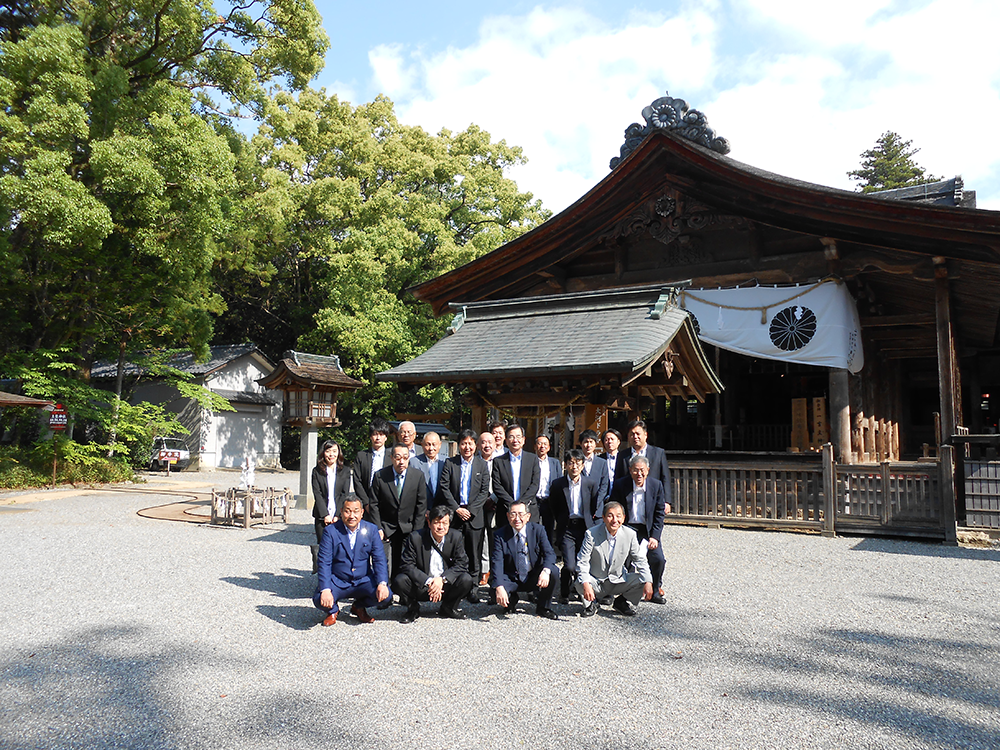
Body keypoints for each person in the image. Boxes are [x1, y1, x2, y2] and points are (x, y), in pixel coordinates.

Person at [313, 495, 392, 626]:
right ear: (341, 511)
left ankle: (359, 607)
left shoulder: (371, 530)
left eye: (356, 511)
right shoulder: (330, 531)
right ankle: (333, 610)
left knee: (386, 596)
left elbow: (379, 559)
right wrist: (325, 589)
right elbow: (324, 562)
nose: (352, 515)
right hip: (338, 580)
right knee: (319, 599)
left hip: (363, 579)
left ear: (362, 512)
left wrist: (382, 583)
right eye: (347, 511)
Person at [393, 506, 474, 622]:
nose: (441, 527)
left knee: (466, 579)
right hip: (423, 585)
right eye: (437, 523)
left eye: (444, 523)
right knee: (400, 581)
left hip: (444, 586)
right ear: (429, 523)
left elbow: (462, 563)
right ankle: (413, 608)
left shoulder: (456, 537)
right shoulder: (415, 538)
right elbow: (407, 564)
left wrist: (442, 580)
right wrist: (429, 581)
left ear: (449, 523)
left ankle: (448, 607)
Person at [437, 429, 491, 602]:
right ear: (458, 445)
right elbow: (444, 487)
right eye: (463, 443)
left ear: (475, 445)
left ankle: (473, 588)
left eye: (470, 443)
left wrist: (472, 510)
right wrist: (456, 509)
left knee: (474, 553)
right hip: (455, 514)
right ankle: (454, 585)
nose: (467, 447)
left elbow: (484, 491)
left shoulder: (482, 465)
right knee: (454, 552)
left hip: (475, 516)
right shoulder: (450, 463)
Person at [576, 501, 652, 617]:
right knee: (580, 582)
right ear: (603, 517)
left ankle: (621, 602)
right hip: (596, 581)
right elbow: (582, 561)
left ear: (624, 518)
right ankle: (591, 604)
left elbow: (639, 559)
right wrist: (586, 584)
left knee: (644, 578)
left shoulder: (630, 534)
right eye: (610, 515)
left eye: (618, 516)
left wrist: (648, 582)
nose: (614, 520)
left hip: (618, 580)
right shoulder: (591, 534)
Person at [609, 455, 666, 605]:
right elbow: (614, 507)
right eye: (635, 470)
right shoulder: (621, 484)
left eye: (642, 470)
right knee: (625, 559)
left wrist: (655, 536)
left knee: (658, 559)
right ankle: (623, 593)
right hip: (628, 527)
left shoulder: (656, 485)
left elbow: (660, 513)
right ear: (630, 470)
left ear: (648, 470)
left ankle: (655, 589)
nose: (639, 474)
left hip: (646, 529)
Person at [368, 444, 428, 581]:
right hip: (386, 525)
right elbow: (374, 504)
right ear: (391, 458)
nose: (401, 461)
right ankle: (383, 589)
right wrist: (378, 527)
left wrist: (417, 530)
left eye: (405, 458)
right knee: (382, 561)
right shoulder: (380, 476)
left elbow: (421, 505)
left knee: (405, 561)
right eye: (398, 457)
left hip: (409, 526)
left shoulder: (418, 476)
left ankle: (402, 589)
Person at [490, 500, 559, 620]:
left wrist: (546, 571)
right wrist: (499, 586)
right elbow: (497, 562)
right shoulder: (499, 535)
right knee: (494, 589)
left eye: (521, 514)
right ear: (508, 516)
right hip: (511, 577)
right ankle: (510, 601)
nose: (517, 518)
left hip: (533, 575)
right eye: (513, 514)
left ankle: (543, 607)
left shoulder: (538, 530)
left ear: (528, 516)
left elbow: (550, 553)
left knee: (553, 571)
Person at [550, 448, 602, 604]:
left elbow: (593, 506)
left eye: (578, 463)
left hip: (585, 527)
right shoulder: (558, 484)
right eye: (571, 463)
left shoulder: (590, 484)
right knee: (570, 564)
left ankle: (581, 590)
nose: (574, 466)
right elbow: (554, 506)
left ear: (583, 465)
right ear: (565, 465)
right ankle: (564, 593)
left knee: (584, 561)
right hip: (567, 528)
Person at [310, 440, 352, 573]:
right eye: (328, 451)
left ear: (338, 452)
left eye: (334, 451)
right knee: (323, 550)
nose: (331, 454)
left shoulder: (345, 470)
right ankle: (323, 579)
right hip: (322, 517)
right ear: (323, 453)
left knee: (340, 548)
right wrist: (325, 515)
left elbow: (345, 494)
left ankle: (338, 577)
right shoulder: (317, 471)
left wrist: (337, 515)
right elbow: (317, 493)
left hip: (339, 516)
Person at [614, 419, 671, 511]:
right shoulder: (623, 455)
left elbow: (665, 478)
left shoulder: (658, 453)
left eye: (638, 433)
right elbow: (618, 478)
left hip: (652, 497)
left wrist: (667, 501)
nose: (635, 437)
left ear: (645, 435)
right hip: (629, 499)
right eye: (632, 434)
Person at [492, 423, 540, 525]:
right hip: (506, 510)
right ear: (506, 440)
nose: (515, 440)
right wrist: (512, 505)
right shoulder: (498, 461)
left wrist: (521, 504)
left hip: (528, 510)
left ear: (523, 440)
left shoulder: (533, 459)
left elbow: (535, 484)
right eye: (511, 437)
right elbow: (497, 486)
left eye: (518, 437)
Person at [352, 418, 392, 510]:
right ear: (370, 437)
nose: (378, 438)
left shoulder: (392, 457)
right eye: (375, 434)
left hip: (387, 503)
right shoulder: (361, 456)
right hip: (366, 501)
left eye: (381, 434)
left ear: (386, 437)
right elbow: (357, 481)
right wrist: (366, 503)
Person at [477, 431, 499, 587]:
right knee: (480, 539)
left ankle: (494, 571)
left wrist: (493, 499)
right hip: (477, 505)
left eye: (490, 442)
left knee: (493, 539)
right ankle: (483, 570)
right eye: (483, 442)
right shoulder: (473, 461)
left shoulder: (500, 461)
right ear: (478, 445)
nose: (487, 445)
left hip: (495, 504)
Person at [534, 434, 562, 547]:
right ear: (535, 446)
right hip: (534, 500)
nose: (542, 446)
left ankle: (548, 554)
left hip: (549, 500)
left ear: (549, 447)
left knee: (549, 529)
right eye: (540, 443)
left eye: (545, 444)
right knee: (533, 528)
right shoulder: (531, 461)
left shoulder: (554, 463)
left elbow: (559, 481)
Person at [579, 429, 609, 507]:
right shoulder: (576, 462)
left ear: (595, 444)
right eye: (586, 442)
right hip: (579, 505)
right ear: (580, 444)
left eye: (591, 442)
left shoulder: (602, 463)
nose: (589, 445)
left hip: (598, 507)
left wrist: (596, 503)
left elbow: (604, 485)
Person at [413, 431, 445, 503]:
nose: (431, 448)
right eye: (428, 444)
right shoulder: (414, 462)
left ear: (440, 445)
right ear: (422, 445)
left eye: (434, 444)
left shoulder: (446, 462)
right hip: (422, 507)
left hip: (442, 507)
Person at [601, 429, 623, 500]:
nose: (609, 442)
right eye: (606, 440)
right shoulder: (599, 459)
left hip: (621, 495)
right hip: (604, 497)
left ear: (618, 441)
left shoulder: (624, 458)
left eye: (612, 439)